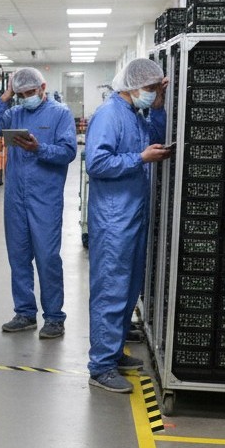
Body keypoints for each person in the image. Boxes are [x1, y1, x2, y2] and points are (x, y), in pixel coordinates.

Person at [84, 58, 171, 393]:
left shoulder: (135, 114)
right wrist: (139, 158)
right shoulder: (109, 115)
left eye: (155, 89)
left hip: (131, 214)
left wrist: (158, 106)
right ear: (132, 85)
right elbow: (97, 163)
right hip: (113, 219)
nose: (151, 93)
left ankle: (114, 351)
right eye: (149, 88)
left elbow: (154, 139)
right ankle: (101, 366)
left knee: (128, 287)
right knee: (110, 290)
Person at [0, 67, 77, 339]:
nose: (26, 98)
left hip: (45, 198)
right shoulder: (14, 113)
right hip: (15, 199)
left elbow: (68, 151)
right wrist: (6, 95)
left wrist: (39, 148)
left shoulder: (60, 114)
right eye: (21, 94)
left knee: (47, 258)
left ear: (43, 87)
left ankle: (54, 317)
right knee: (19, 257)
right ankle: (24, 313)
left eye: (30, 92)